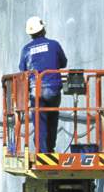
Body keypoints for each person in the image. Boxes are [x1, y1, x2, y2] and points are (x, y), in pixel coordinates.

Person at [18, 16, 68, 153]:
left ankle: (42, 151)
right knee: (52, 117)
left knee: (40, 120)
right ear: (43, 29)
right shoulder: (54, 44)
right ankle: (50, 148)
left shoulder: (26, 50)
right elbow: (63, 63)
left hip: (36, 90)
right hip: (53, 90)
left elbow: (22, 69)